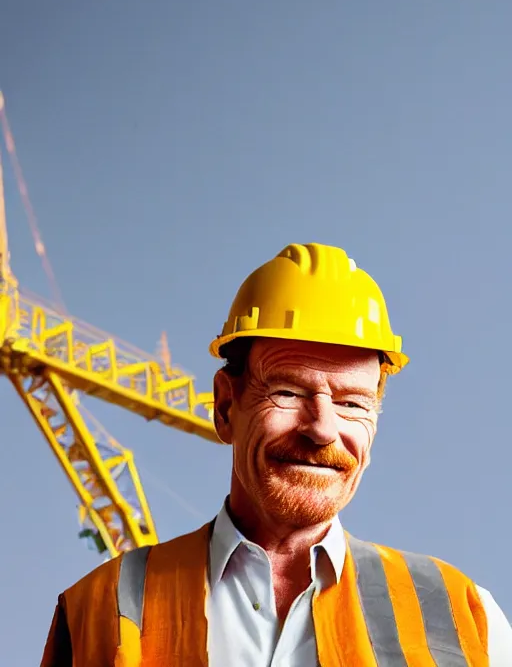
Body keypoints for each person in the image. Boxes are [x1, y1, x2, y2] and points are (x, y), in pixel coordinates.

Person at [41, 242, 512, 666]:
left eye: (352, 403)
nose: (323, 429)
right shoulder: (95, 613)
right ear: (225, 407)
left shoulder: (464, 619)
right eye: (288, 392)